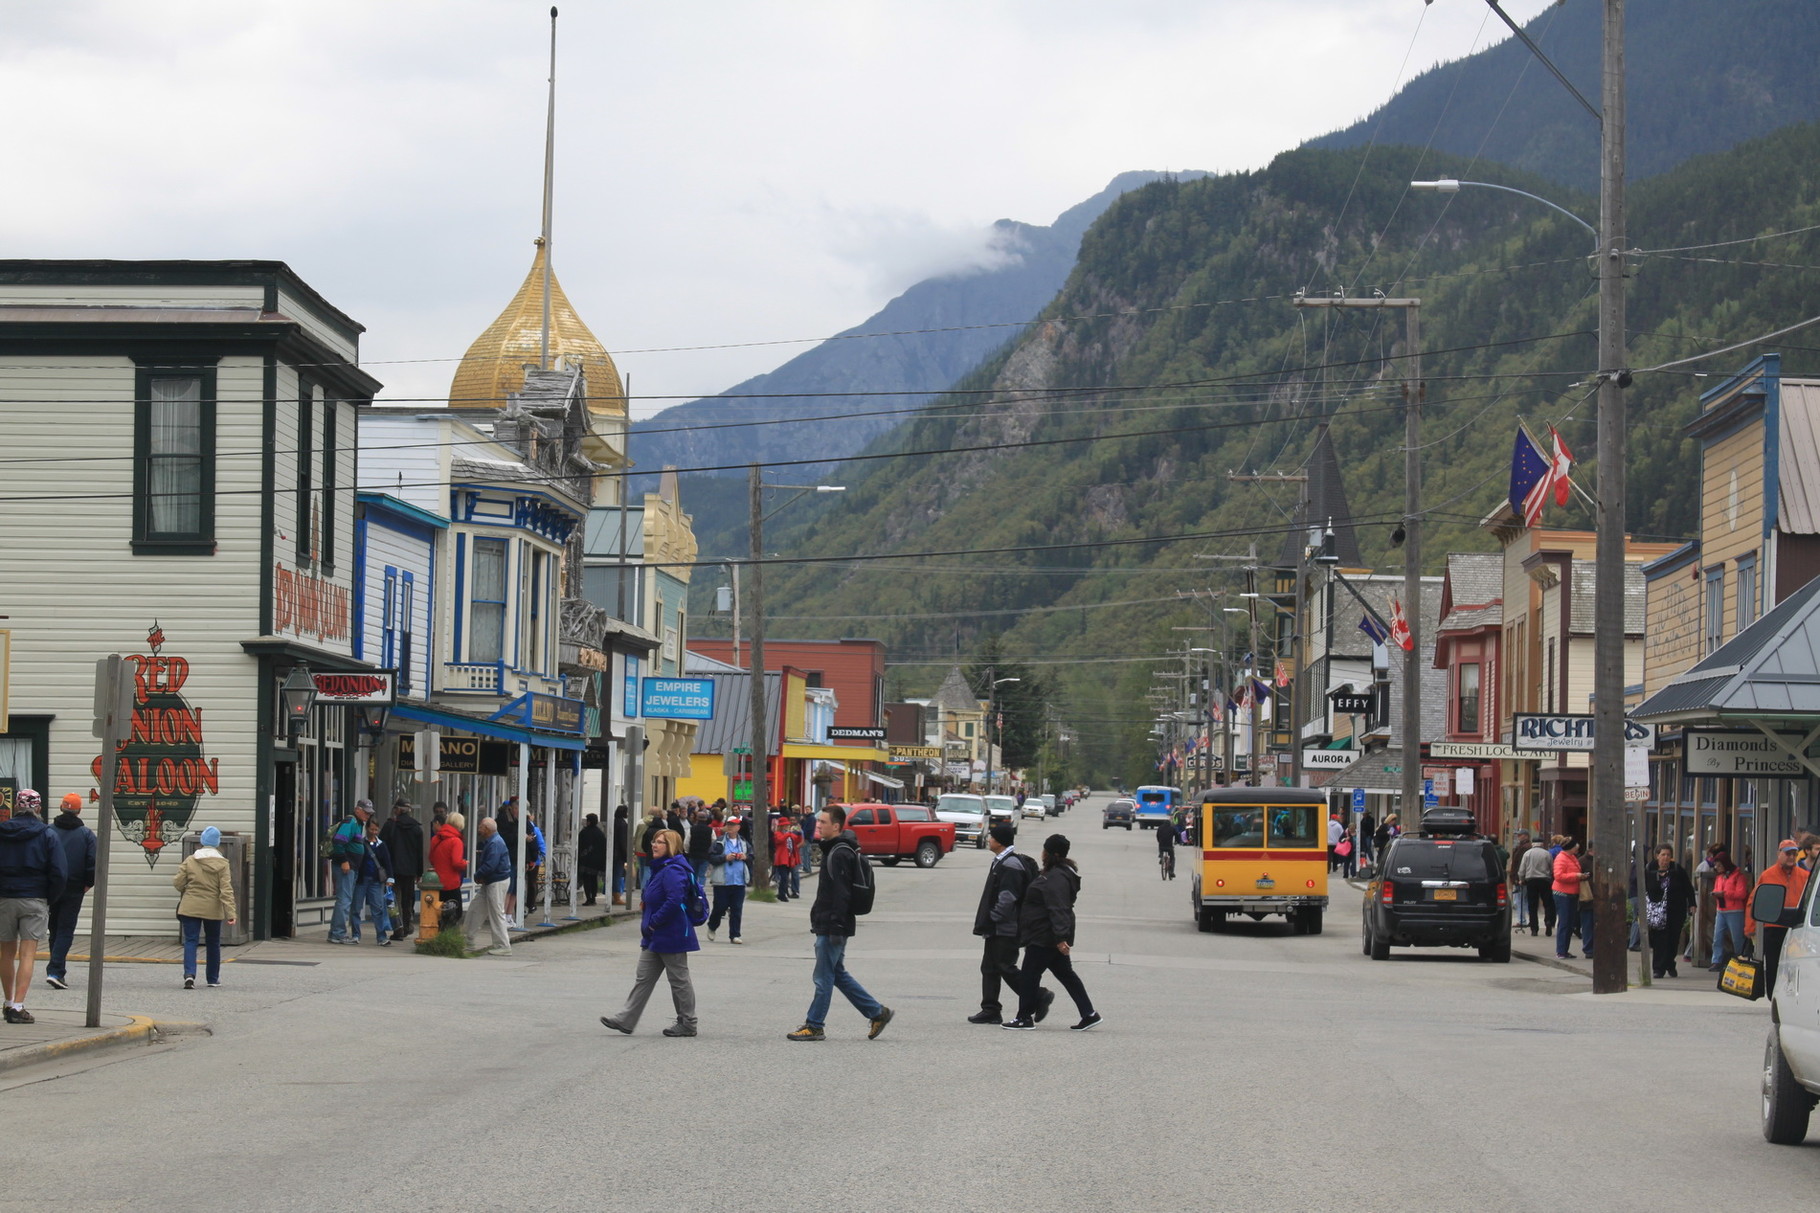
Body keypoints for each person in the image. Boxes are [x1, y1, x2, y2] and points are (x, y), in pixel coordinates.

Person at [787, 805, 892, 1042]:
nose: (819, 825)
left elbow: (841, 895)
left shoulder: (840, 853)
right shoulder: (835, 850)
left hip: (834, 925)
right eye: (819, 821)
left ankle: (814, 1025)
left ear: (836, 826)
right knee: (837, 973)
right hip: (832, 922)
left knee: (823, 977)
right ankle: (877, 1012)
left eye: (823, 822)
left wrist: (835, 927)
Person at [600, 829, 700, 1037]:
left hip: (671, 933)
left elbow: (674, 900)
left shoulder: (674, 869)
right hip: (655, 935)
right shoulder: (661, 867)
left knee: (679, 979)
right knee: (644, 977)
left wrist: (654, 922)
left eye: (660, 842)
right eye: (654, 841)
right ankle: (626, 1019)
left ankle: (688, 1022)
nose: (654, 845)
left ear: (671, 846)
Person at [1004, 834, 1101, 1032]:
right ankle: (1089, 1013)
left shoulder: (1055, 877)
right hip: (1047, 934)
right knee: (1066, 975)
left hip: (1045, 935)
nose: (1042, 853)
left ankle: (1024, 1017)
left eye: (1044, 850)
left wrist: (1060, 938)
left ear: (1051, 853)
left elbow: (1058, 908)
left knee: (1030, 975)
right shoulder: (1058, 872)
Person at [0, 790, 67, 1023]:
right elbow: (59, 871)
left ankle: (8, 1002)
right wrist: (50, 897)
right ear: (38, 808)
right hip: (35, 898)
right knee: (27, 954)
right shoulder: (47, 834)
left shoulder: (3, 832)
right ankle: (18, 1006)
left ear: (16, 807)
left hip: (5, 898)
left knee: (5, 953)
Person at [970, 823, 1046, 1025]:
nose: (988, 839)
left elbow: (1008, 897)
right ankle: (990, 1009)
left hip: (1006, 927)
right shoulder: (1001, 861)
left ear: (999, 841)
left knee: (1005, 966)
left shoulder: (1010, 865)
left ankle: (1039, 995)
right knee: (990, 967)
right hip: (997, 927)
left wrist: (994, 917)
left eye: (991, 837)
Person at [44, 792, 97, 991]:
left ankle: (55, 969)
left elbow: (42, 858)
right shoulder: (86, 834)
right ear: (78, 810)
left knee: (55, 929)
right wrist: (88, 883)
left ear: (61, 808)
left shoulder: (48, 831)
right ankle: (56, 971)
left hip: (51, 888)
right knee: (66, 929)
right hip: (74, 888)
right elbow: (92, 861)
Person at [172, 826, 237, 989]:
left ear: (202, 842)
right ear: (216, 843)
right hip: (212, 908)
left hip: (190, 905)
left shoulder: (191, 860)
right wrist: (230, 913)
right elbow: (226, 889)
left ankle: (189, 975)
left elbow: (178, 882)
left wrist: (186, 890)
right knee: (213, 942)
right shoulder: (222, 864)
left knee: (191, 941)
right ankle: (213, 978)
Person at [1748, 839, 1812, 997]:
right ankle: (1773, 996)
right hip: (1773, 927)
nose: (1791, 857)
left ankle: (1794, 995)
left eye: (1794, 854)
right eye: (1788, 853)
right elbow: (1753, 902)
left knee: (1796, 964)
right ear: (1779, 854)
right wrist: (1750, 928)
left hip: (1796, 928)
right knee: (1773, 964)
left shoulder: (1805, 876)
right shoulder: (1767, 875)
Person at [325, 799, 374, 944]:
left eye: (369, 813)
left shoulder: (357, 824)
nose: (367, 815)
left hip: (351, 867)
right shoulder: (351, 822)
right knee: (344, 900)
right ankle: (338, 934)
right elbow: (339, 842)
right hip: (346, 867)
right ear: (357, 809)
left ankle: (335, 933)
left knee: (344, 900)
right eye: (365, 812)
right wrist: (344, 861)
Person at [1643, 844, 1694, 978]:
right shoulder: (1649, 869)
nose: (1666, 858)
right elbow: (1642, 888)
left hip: (1675, 910)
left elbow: (1688, 888)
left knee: (1673, 939)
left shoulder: (1677, 870)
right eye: (1663, 855)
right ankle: (1658, 969)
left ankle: (1670, 963)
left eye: (1668, 855)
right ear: (1657, 856)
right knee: (1659, 940)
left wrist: (1692, 904)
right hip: (1657, 911)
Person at [464, 817, 513, 956]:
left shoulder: (495, 843)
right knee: (475, 909)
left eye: (480, 826)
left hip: (496, 881)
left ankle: (503, 945)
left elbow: (490, 865)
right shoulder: (492, 841)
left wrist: (477, 875)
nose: (478, 828)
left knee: (496, 913)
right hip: (491, 881)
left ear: (487, 829)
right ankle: (468, 940)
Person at [379, 799, 423, 942]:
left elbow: (381, 847)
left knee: (394, 900)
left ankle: (397, 927)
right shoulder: (416, 828)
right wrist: (419, 872)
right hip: (410, 870)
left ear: (398, 810)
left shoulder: (390, 826)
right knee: (407, 900)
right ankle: (407, 926)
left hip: (393, 869)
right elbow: (419, 853)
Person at [351, 817, 395, 946]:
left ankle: (381, 937)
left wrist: (390, 878)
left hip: (376, 881)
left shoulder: (381, 845)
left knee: (378, 909)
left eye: (376, 829)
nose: (374, 832)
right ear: (367, 829)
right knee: (356, 908)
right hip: (361, 880)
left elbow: (387, 863)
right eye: (372, 829)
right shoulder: (360, 843)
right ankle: (355, 935)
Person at [707, 819, 749, 944]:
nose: (730, 827)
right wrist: (725, 858)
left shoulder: (743, 842)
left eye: (733, 825)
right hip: (722, 881)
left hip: (739, 880)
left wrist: (745, 857)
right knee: (720, 907)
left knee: (736, 909)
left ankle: (735, 934)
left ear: (738, 827)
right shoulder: (719, 842)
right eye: (729, 825)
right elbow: (711, 857)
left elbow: (751, 856)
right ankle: (712, 926)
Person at [1707, 845, 1748, 970]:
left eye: (1719, 865)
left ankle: (1740, 958)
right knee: (1717, 937)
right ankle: (1717, 960)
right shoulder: (1719, 876)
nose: (1717, 868)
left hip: (1735, 911)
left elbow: (1741, 894)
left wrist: (1724, 894)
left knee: (1737, 938)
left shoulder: (1738, 876)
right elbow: (1717, 888)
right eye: (1716, 865)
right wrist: (1716, 893)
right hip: (1721, 909)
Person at [429, 811, 468, 925]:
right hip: (451, 883)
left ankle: (438, 934)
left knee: (439, 911)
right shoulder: (456, 841)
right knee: (455, 912)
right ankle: (447, 936)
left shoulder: (436, 839)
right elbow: (456, 863)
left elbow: (431, 859)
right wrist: (464, 863)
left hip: (437, 881)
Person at [1552, 839, 1587, 960]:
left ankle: (1564, 950)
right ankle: (1561, 951)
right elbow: (1558, 875)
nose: (1577, 850)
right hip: (1563, 894)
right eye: (1576, 848)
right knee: (1565, 923)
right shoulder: (1561, 858)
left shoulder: (1572, 857)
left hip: (1571, 893)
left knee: (1569, 923)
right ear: (1570, 848)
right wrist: (1576, 876)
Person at [1517, 838, 1556, 937]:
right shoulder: (1547, 854)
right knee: (1547, 903)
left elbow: (1522, 869)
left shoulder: (1527, 854)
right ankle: (1548, 921)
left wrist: (1521, 879)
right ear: (1542, 844)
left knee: (1532, 905)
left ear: (1533, 844)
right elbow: (1552, 868)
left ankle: (1534, 928)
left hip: (1531, 880)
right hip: (1545, 880)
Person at [578, 812, 608, 906]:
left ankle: (588, 898)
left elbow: (580, 845)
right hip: (597, 861)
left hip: (586, 861)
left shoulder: (584, 832)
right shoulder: (600, 833)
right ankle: (593, 898)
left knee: (587, 879)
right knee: (594, 879)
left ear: (589, 821)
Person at [773, 811, 801, 902]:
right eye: (785, 825)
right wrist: (788, 834)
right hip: (782, 858)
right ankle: (782, 894)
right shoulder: (778, 833)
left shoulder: (788, 833)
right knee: (784, 877)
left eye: (787, 825)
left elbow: (796, 839)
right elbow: (779, 840)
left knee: (786, 877)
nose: (786, 826)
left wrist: (799, 833)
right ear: (781, 826)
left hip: (789, 858)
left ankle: (783, 892)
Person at [1509, 833, 1533, 929]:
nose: (1518, 837)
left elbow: (1520, 864)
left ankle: (1522, 920)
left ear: (1526, 836)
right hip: (1524, 877)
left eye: (1520, 835)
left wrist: (1518, 877)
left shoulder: (1524, 848)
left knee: (1520, 900)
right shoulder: (1523, 847)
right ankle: (1529, 919)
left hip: (1521, 877)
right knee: (1524, 899)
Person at [687, 807, 715, 886]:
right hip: (705, 855)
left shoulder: (692, 829)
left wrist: (687, 851)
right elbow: (714, 841)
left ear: (697, 819)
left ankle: (693, 889)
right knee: (702, 875)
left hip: (693, 854)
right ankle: (701, 890)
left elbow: (686, 842)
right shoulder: (710, 830)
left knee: (693, 873)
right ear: (706, 819)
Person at [611, 805, 630, 905]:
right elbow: (623, 841)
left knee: (612, 875)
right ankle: (617, 897)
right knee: (618, 875)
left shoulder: (613, 822)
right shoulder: (623, 824)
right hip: (619, 854)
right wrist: (626, 855)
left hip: (612, 852)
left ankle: (611, 895)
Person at [1156, 811, 1177, 880]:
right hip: (1169, 846)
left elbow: (1157, 836)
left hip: (1161, 845)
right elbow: (1177, 835)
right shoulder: (1172, 828)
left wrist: (1159, 841)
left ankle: (1161, 856)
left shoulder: (1160, 828)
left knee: (1160, 848)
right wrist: (1177, 841)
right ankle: (1171, 871)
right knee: (1172, 858)